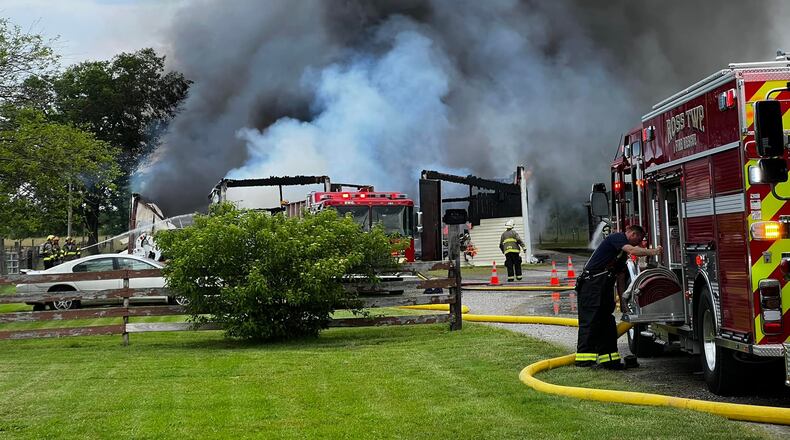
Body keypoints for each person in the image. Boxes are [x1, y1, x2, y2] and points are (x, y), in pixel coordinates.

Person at [575, 224, 662, 369]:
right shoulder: (617, 238)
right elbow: (632, 250)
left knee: (607, 323)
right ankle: (584, 360)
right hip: (591, 285)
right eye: (638, 240)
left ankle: (609, 360)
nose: (639, 244)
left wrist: (623, 302)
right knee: (591, 322)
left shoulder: (620, 255)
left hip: (603, 287)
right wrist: (653, 251)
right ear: (632, 234)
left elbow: (620, 277)